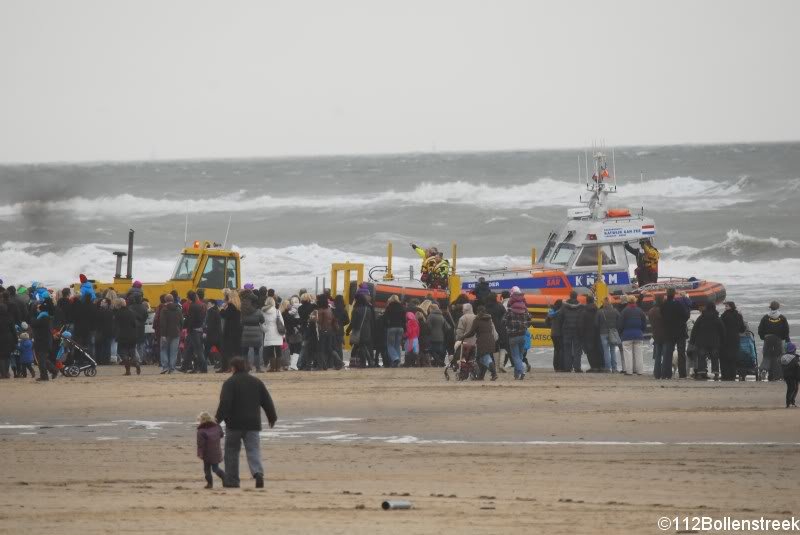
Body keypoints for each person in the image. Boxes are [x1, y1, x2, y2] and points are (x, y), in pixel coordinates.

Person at [215, 357, 277, 489]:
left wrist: (217, 420)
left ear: (233, 368)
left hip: (234, 424)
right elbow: (267, 401)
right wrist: (272, 417)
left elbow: (225, 404)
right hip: (253, 424)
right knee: (253, 450)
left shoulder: (229, 383)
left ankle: (232, 480)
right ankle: (258, 473)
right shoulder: (256, 382)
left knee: (231, 452)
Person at [659, 288, 691, 379]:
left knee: (668, 353)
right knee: (681, 353)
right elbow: (685, 316)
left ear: (667, 294)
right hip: (680, 331)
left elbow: (662, 316)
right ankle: (682, 374)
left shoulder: (663, 305)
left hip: (668, 331)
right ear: (674, 294)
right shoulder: (678, 304)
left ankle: (666, 374)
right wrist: (681, 322)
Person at [689, 302, 725, 380]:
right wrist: (722, 341)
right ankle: (716, 374)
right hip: (714, 341)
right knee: (715, 358)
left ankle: (701, 373)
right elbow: (722, 330)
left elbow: (695, 330)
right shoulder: (717, 318)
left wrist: (692, 341)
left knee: (701, 357)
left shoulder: (701, 317)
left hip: (702, 341)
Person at [463, 306, 499, 380]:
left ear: (477, 311)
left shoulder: (477, 320)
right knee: (481, 359)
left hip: (482, 341)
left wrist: (463, 337)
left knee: (485, 358)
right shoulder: (489, 319)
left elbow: (472, 333)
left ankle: (494, 373)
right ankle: (481, 376)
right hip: (491, 340)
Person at [757, 301, 790, 381]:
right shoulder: (782, 318)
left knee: (767, 356)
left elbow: (760, 329)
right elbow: (786, 329)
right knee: (777, 357)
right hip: (778, 339)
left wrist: (762, 337)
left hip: (768, 338)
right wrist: (785, 338)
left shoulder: (765, 317)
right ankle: (776, 376)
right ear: (778, 307)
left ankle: (764, 370)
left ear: (770, 307)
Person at [503, 289, 531, 380]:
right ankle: (517, 375)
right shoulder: (524, 309)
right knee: (519, 355)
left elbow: (504, 321)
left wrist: (509, 326)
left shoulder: (510, 310)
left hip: (513, 335)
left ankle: (521, 371)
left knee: (515, 356)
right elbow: (530, 318)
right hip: (523, 335)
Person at [617, 295, 647, 375]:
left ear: (628, 301)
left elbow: (620, 324)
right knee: (639, 354)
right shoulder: (640, 311)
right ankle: (640, 371)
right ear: (635, 301)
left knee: (628, 354)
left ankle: (629, 371)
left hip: (627, 335)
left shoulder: (624, 311)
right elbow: (644, 323)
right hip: (638, 334)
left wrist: (621, 333)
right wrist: (641, 331)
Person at [196, 411, 226, 489]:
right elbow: (221, 435)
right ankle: (225, 477)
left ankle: (210, 484)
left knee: (207, 469)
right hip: (217, 452)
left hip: (207, 453)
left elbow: (200, 444)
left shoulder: (201, 431)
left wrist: (200, 453)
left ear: (201, 420)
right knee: (216, 468)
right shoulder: (217, 427)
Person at [557, 291, 584, 373]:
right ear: (576, 297)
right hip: (577, 330)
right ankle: (577, 368)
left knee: (567, 349)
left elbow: (560, 318)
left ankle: (567, 367)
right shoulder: (581, 307)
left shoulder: (564, 307)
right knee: (577, 349)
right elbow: (583, 319)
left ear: (570, 296)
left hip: (566, 330)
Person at [347, 293, 376, 368]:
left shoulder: (356, 310)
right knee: (362, 346)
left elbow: (353, 322)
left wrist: (348, 330)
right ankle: (367, 362)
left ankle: (365, 362)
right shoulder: (368, 309)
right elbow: (371, 321)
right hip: (367, 330)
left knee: (361, 346)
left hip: (358, 331)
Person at [719, 301, 745, 381]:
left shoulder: (724, 316)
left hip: (725, 339)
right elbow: (742, 329)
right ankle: (732, 375)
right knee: (733, 358)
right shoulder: (738, 316)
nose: (725, 308)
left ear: (730, 307)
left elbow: (720, 328)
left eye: (726, 306)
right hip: (735, 339)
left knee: (724, 358)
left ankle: (725, 375)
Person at [183, 291, 208, 373]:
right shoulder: (202, 305)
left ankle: (204, 368)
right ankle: (184, 367)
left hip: (193, 330)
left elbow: (191, 319)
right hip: (199, 329)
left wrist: (188, 328)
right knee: (189, 349)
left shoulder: (192, 306)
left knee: (198, 350)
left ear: (189, 298)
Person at [114, 298, 140, 375]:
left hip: (122, 335)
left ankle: (128, 370)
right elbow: (135, 324)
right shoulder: (131, 312)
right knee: (132, 352)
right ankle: (136, 363)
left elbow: (115, 325)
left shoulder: (117, 314)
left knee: (122, 352)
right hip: (132, 335)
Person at [240, 293, 265, 373]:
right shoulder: (258, 311)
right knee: (256, 351)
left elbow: (241, 321)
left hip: (246, 331)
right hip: (256, 332)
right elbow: (262, 320)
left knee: (245, 352)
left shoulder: (243, 311)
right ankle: (258, 368)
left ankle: (246, 368)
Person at [218, 289, 242, 373]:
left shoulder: (231, 306)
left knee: (227, 350)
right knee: (235, 350)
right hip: (237, 330)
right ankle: (234, 367)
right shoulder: (238, 306)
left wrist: (221, 309)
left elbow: (225, 315)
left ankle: (228, 367)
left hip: (229, 330)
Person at [158, 294, 182, 374]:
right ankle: (172, 368)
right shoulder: (178, 309)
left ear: (165, 300)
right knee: (174, 351)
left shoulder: (164, 310)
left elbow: (162, 323)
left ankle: (165, 366)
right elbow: (181, 322)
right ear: (173, 300)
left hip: (166, 333)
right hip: (176, 332)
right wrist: (179, 330)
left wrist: (163, 335)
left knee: (163, 350)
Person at [596, 297, 621, 373]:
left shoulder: (600, 312)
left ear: (603, 303)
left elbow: (596, 323)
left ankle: (608, 368)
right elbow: (619, 321)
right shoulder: (615, 311)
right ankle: (614, 368)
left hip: (603, 333)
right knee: (612, 350)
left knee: (606, 351)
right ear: (610, 303)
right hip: (613, 332)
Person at [31, 308, 56, 381]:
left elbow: (33, 323)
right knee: (43, 359)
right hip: (46, 343)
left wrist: (33, 315)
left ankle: (44, 376)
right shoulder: (48, 322)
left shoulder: (41, 322)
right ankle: (54, 370)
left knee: (41, 360)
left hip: (41, 343)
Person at [261, 297, 284, 372]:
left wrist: (265, 329)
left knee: (270, 351)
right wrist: (283, 333)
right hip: (277, 332)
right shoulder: (277, 311)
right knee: (278, 350)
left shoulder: (263, 311)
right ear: (274, 303)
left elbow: (261, 322)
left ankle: (272, 368)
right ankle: (278, 368)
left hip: (268, 332)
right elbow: (282, 322)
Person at [581, 295, 603, 372]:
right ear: (593, 301)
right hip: (597, 332)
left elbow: (582, 324)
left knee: (590, 351)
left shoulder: (584, 311)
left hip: (587, 333)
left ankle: (593, 367)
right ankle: (600, 366)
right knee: (598, 349)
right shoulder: (598, 310)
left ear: (586, 301)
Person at [384, 295, 405, 367]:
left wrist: (387, 325)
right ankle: (397, 361)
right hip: (400, 328)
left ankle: (395, 358)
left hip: (392, 327)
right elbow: (404, 319)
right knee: (397, 345)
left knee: (390, 345)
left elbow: (385, 318)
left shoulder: (389, 307)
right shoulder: (402, 307)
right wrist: (404, 328)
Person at [648, 296, 666, 379]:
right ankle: (664, 372)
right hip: (664, 335)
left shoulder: (651, 311)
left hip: (655, 335)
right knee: (666, 355)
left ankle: (656, 373)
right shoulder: (662, 311)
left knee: (657, 355)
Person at [780, 343, 799, 408]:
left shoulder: (783, 357)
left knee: (790, 388)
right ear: (794, 350)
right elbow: (797, 367)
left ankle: (789, 403)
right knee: (794, 388)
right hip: (794, 376)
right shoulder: (795, 358)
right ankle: (790, 402)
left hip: (786, 376)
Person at [547, 299, 564, 371]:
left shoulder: (552, 311)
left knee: (556, 350)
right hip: (560, 333)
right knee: (560, 350)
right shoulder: (561, 312)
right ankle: (560, 366)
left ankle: (555, 366)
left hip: (553, 333)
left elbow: (547, 320)